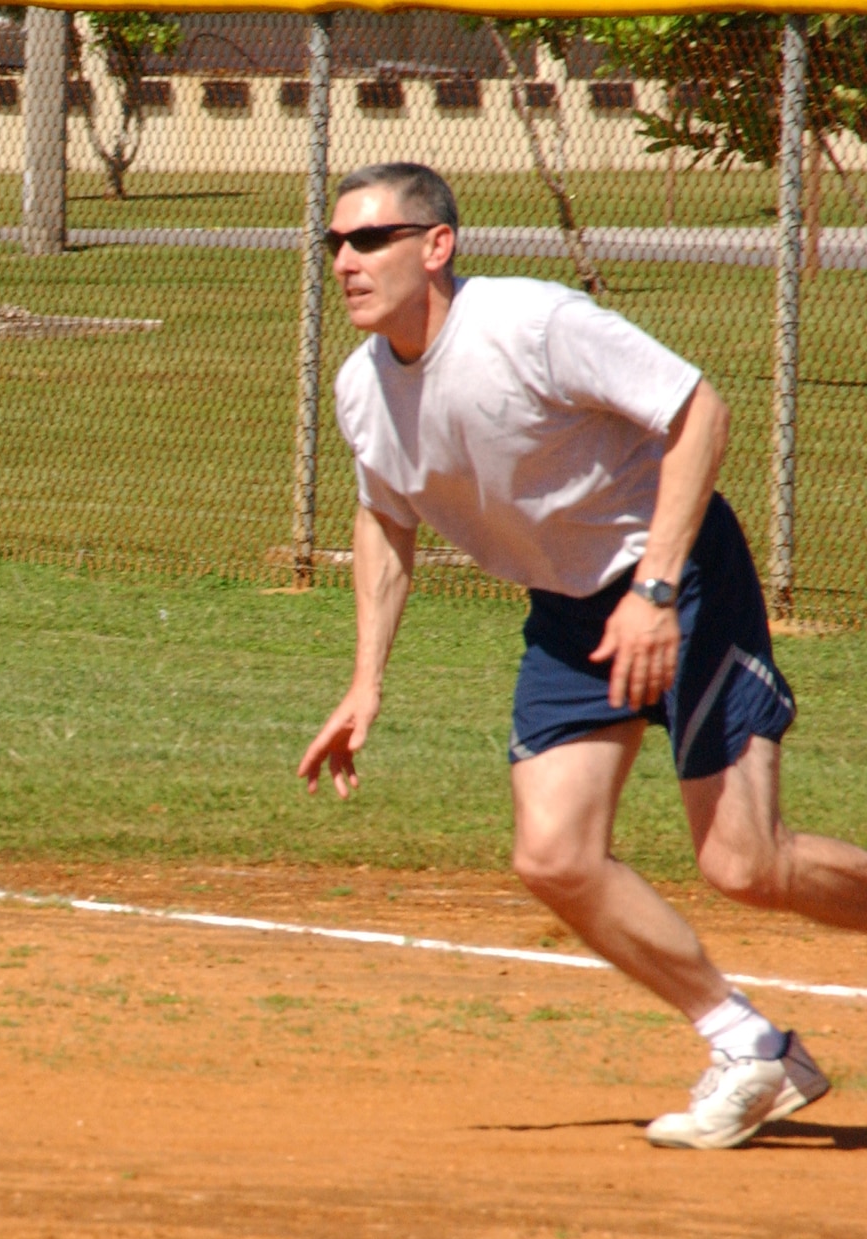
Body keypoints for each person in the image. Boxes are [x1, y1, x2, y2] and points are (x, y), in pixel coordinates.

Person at [297, 162, 867, 1150]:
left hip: (677, 580)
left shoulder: (529, 324)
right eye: (333, 245)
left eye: (367, 240)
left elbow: (699, 411)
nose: (343, 261)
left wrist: (654, 586)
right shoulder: (360, 388)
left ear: (434, 246)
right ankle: (745, 1045)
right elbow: (383, 524)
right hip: (568, 613)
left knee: (740, 860)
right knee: (552, 855)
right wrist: (363, 681)